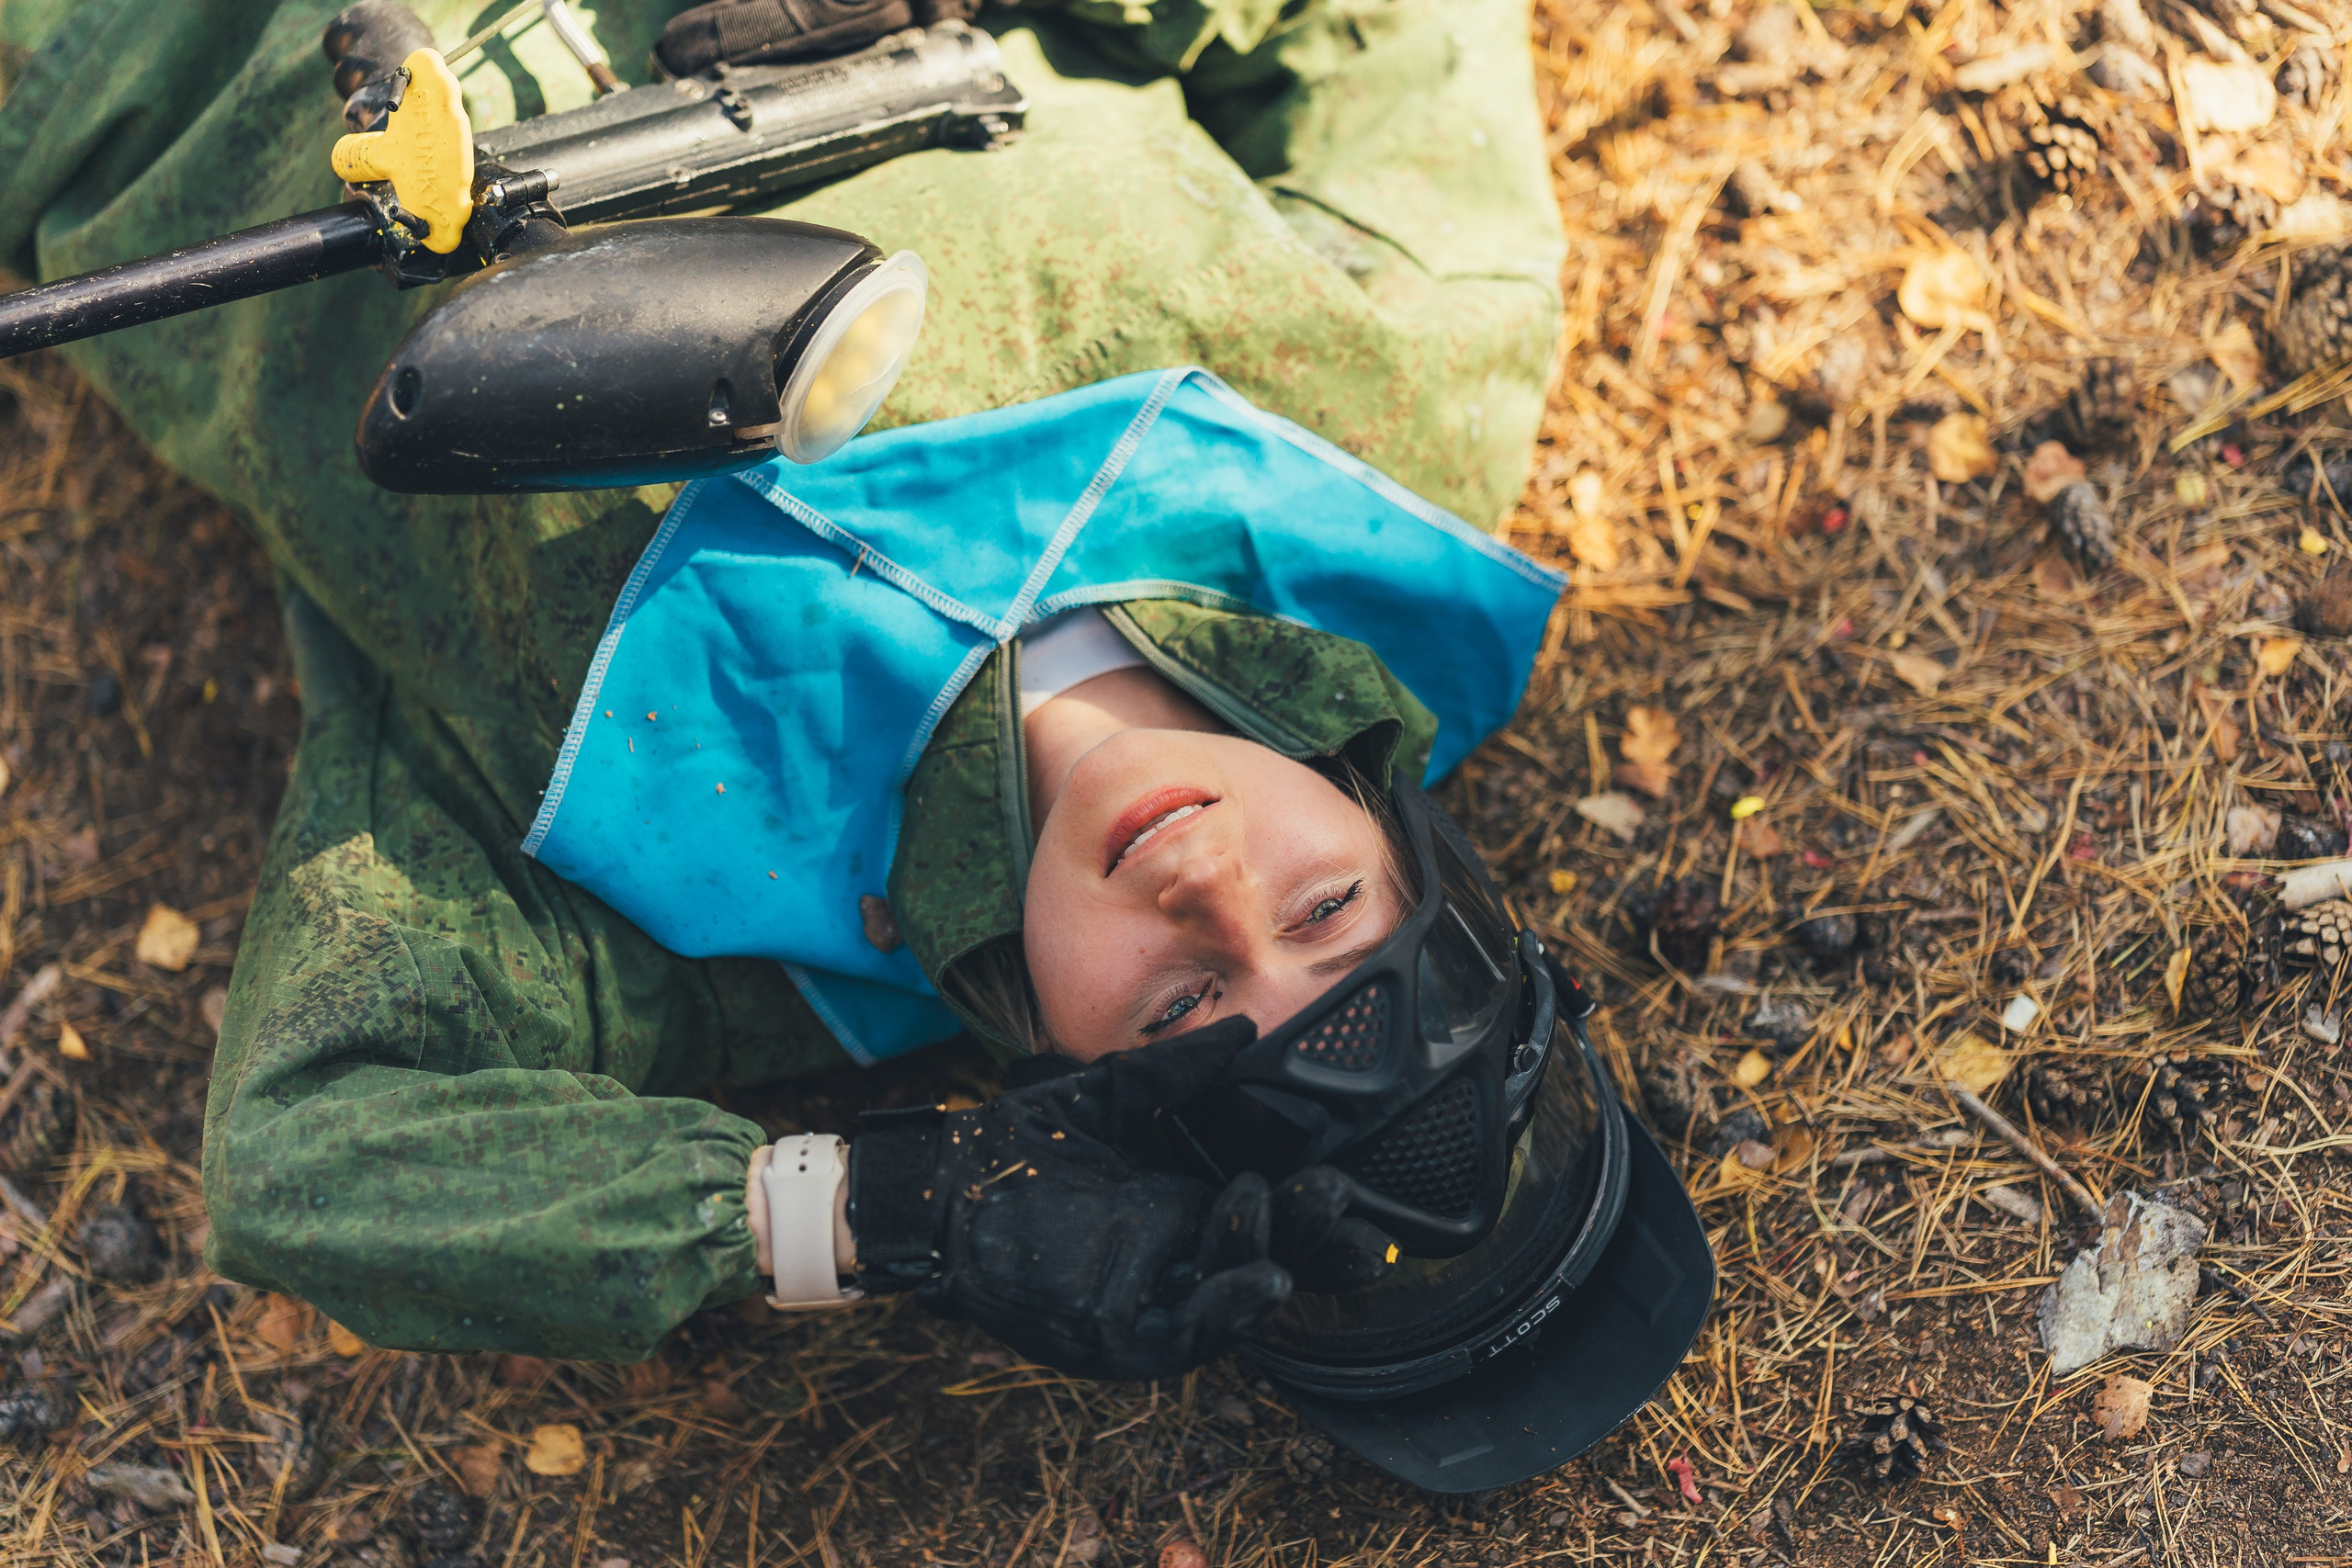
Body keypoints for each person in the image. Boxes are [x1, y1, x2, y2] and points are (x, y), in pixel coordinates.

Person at [0, 0, 1698, 1476]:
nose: (1203, 888)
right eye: (1326, 917)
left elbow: (310, 1148)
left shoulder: (655, 899)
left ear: (1069, 1085)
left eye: (1186, 1010)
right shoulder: (1393, 411)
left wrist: (884, 1214)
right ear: (1405, 841)